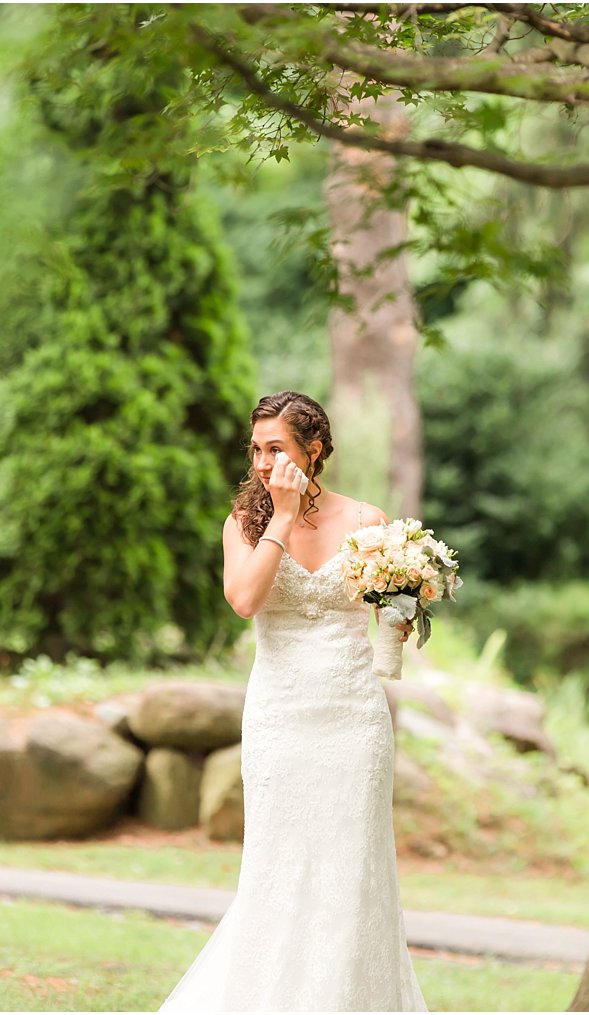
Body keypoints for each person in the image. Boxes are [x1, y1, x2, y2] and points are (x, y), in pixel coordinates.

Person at [159, 391, 428, 1012]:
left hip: (353, 719)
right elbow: (245, 601)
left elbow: (396, 606)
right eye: (255, 449)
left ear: (315, 450)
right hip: (280, 717)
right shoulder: (244, 524)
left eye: (275, 448)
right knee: (276, 870)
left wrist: (404, 616)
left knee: (352, 871)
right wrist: (279, 516)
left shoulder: (365, 522)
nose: (261, 462)